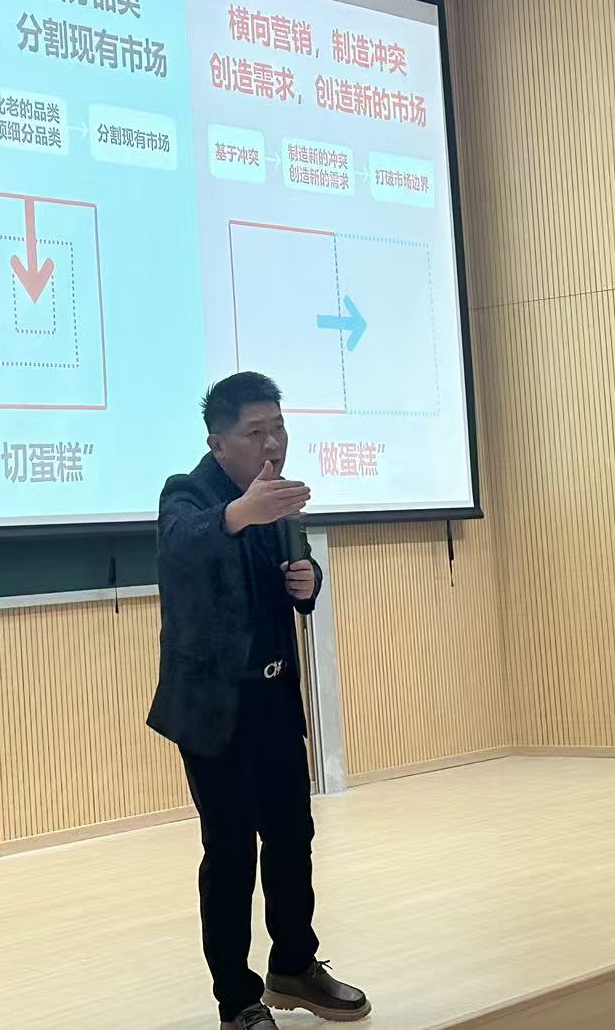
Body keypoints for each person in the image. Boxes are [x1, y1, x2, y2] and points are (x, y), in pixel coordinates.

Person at [148, 372, 371, 1029]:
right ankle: (237, 1001)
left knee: (292, 835)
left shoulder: (277, 501)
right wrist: (240, 513)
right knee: (231, 851)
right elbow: (182, 546)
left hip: (273, 696)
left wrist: (307, 582)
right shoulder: (187, 493)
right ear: (218, 442)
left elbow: (286, 578)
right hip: (215, 709)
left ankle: (294, 967)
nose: (273, 443)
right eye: (256, 432)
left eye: (279, 427)